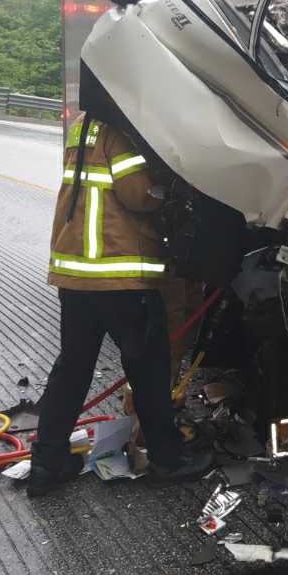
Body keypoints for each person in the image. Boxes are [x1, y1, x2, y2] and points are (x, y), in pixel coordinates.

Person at [30, 112, 215, 497]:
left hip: (76, 274)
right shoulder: (121, 132)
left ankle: (46, 464)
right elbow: (138, 194)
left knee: (72, 368)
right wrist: (171, 191)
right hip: (119, 276)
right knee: (149, 367)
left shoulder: (84, 126)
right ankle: (167, 460)